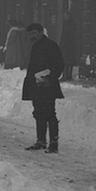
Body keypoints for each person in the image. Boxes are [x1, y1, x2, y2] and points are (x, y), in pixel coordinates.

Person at [22, 22, 65, 153]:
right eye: (30, 34)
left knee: (50, 114)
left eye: (34, 33)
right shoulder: (35, 46)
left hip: (47, 86)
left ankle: (53, 144)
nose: (32, 36)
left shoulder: (51, 46)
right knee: (38, 113)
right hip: (36, 86)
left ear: (41, 32)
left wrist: (50, 79)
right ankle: (41, 141)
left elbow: (59, 64)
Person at [59, 12, 77, 81]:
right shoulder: (68, 24)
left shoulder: (70, 24)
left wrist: (63, 44)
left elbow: (67, 35)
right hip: (68, 45)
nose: (64, 17)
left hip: (68, 45)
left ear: (69, 16)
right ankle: (66, 75)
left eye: (65, 15)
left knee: (67, 61)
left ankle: (67, 75)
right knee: (67, 61)